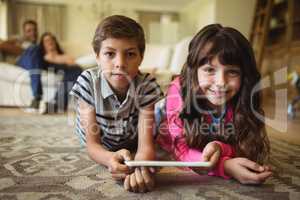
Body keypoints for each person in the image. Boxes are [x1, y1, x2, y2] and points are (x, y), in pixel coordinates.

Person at [156, 24, 272, 185]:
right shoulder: (179, 90)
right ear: (194, 71)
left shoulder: (242, 97)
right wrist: (224, 165)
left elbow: (246, 145)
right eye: (210, 70)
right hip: (164, 127)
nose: (220, 83)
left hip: (209, 139)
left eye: (232, 72)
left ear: (245, 76)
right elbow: (181, 151)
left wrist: (220, 147)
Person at [69, 15, 163, 193]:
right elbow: (93, 145)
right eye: (109, 54)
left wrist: (138, 167)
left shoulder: (147, 85)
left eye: (130, 54)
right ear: (97, 57)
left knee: (158, 128)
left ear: (141, 58)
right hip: (100, 138)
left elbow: (145, 146)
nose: (120, 64)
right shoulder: (87, 82)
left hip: (130, 137)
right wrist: (109, 158)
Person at [38, 32, 82, 113]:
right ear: (43, 45)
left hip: (70, 71)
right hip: (62, 70)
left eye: (52, 39)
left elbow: (73, 62)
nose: (50, 42)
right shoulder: (43, 58)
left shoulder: (63, 55)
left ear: (55, 42)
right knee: (76, 70)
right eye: (46, 41)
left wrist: (57, 58)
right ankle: (58, 103)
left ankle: (56, 103)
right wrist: (61, 60)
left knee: (77, 70)